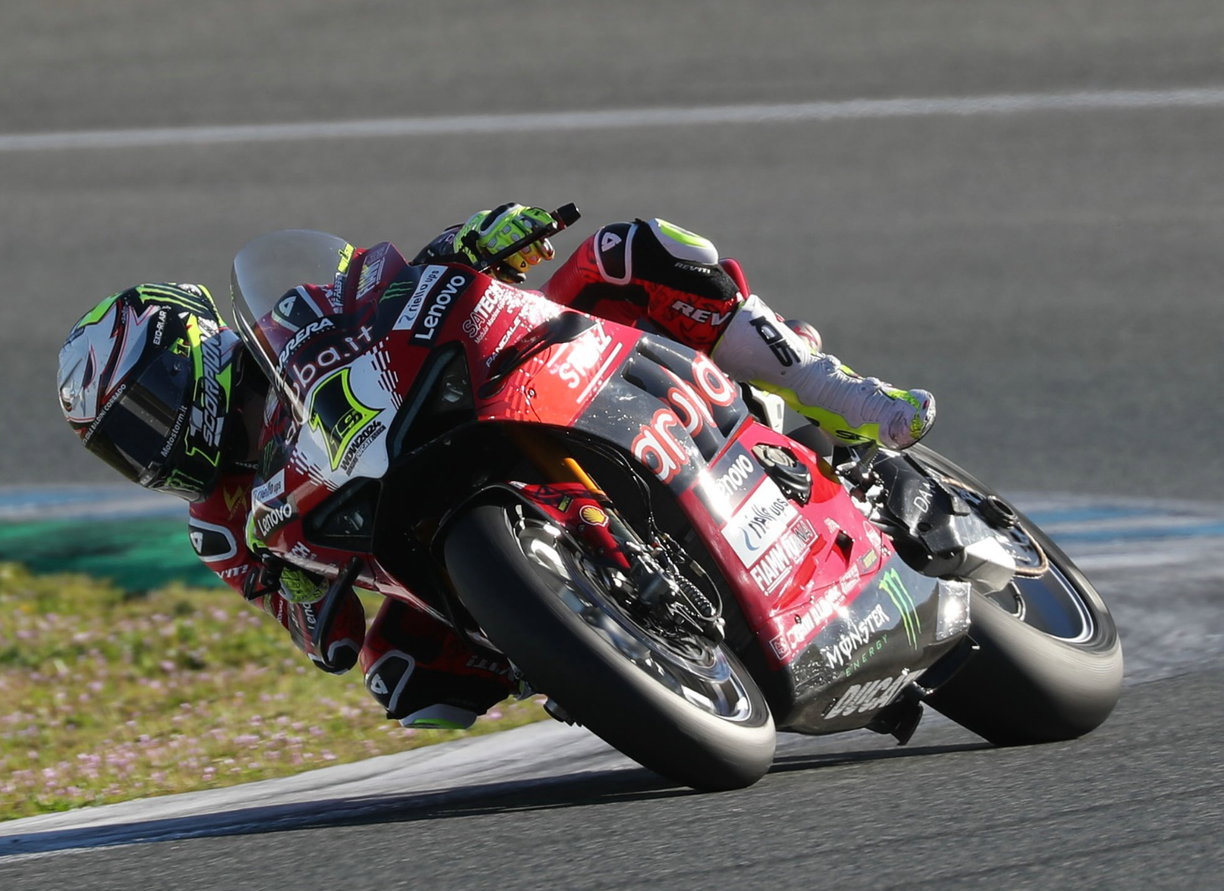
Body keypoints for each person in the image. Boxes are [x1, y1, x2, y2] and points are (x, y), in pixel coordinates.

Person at [56, 205, 936, 730]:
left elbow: (383, 287)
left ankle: (834, 391)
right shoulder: (221, 523)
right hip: (420, 545)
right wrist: (306, 605)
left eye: (145, 410)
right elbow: (315, 630)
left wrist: (471, 244)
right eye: (121, 445)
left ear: (191, 353)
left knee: (632, 252)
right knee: (405, 682)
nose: (149, 445)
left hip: (495, 401)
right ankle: (582, 647)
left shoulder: (293, 317)